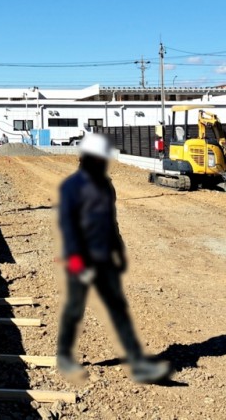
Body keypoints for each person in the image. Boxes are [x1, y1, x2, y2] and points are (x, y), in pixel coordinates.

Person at [56, 132, 171, 384]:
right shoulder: (72, 187)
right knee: (75, 307)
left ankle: (138, 364)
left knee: (118, 309)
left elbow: (110, 219)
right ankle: (64, 357)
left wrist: (118, 248)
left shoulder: (106, 184)